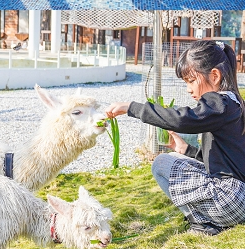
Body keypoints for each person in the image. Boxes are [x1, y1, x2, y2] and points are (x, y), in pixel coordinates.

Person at [105, 40, 245, 235]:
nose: (189, 89)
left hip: (230, 198)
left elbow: (182, 119)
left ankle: (203, 224)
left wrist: (132, 108)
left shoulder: (219, 103)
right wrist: (186, 150)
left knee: (161, 163)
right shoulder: (234, 103)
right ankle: (209, 221)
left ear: (214, 75)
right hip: (237, 197)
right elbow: (225, 161)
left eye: (191, 80)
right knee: (176, 158)